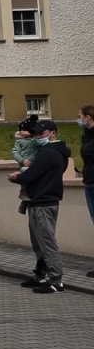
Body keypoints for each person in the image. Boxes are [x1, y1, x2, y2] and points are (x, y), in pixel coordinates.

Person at [10, 120, 70, 293]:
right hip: (43, 200)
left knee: (46, 241)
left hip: (43, 202)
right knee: (39, 241)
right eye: (35, 134)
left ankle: (56, 280)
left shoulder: (48, 153)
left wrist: (17, 178)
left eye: (41, 134)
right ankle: (41, 274)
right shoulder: (56, 152)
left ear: (52, 133)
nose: (37, 137)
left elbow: (31, 175)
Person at [11, 117, 40, 215]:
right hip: (25, 165)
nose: (22, 132)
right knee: (26, 174)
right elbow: (15, 153)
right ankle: (24, 195)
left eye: (24, 130)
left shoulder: (36, 140)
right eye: (20, 130)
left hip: (36, 165)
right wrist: (22, 160)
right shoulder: (19, 141)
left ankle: (27, 200)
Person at [80, 106, 94, 262]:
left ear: (88, 117)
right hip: (89, 181)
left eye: (80, 116)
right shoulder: (86, 135)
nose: (79, 120)